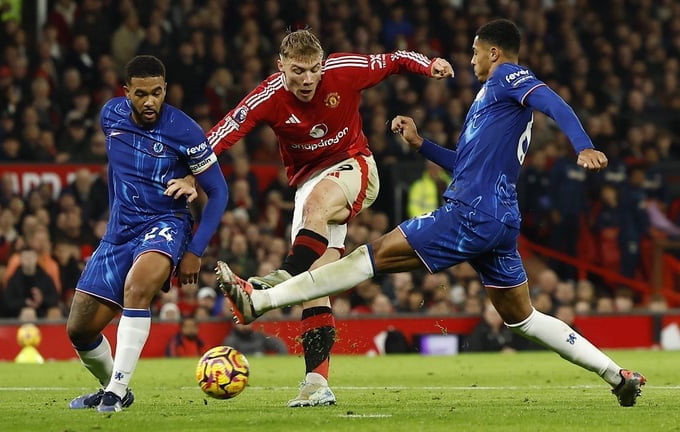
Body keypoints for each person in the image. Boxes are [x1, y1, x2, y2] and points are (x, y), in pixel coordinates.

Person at [217, 19, 646, 407]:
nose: (472, 58)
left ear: (493, 52)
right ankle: (617, 374)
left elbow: (553, 101)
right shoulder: (493, 101)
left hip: (471, 213)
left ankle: (262, 299)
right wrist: (421, 145)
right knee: (523, 318)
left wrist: (583, 144)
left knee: (367, 259)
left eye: (476, 51)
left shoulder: (509, 78)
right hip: (499, 220)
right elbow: (467, 164)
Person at [207, 29, 452, 407]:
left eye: (313, 70)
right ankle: (316, 384)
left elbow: (391, 61)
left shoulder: (343, 70)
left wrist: (429, 63)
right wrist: (192, 170)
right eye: (298, 71)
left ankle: (273, 282)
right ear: (281, 67)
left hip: (354, 165)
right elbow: (228, 129)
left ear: (323, 65)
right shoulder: (269, 95)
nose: (307, 80)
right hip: (307, 187)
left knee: (318, 208)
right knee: (317, 285)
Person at [65, 55, 228, 413]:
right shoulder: (110, 116)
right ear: (126, 92)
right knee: (79, 329)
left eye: (157, 92)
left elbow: (219, 192)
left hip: (166, 224)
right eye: (141, 94)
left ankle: (116, 393)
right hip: (120, 232)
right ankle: (112, 384)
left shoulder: (185, 131)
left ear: (165, 89)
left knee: (137, 289)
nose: (150, 101)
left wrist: (196, 250)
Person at [222, 322, 289, 356]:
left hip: (264, 368)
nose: (245, 325)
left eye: (247, 322)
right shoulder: (230, 341)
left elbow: (279, 345)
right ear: (234, 324)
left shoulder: (259, 336)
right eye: (241, 323)